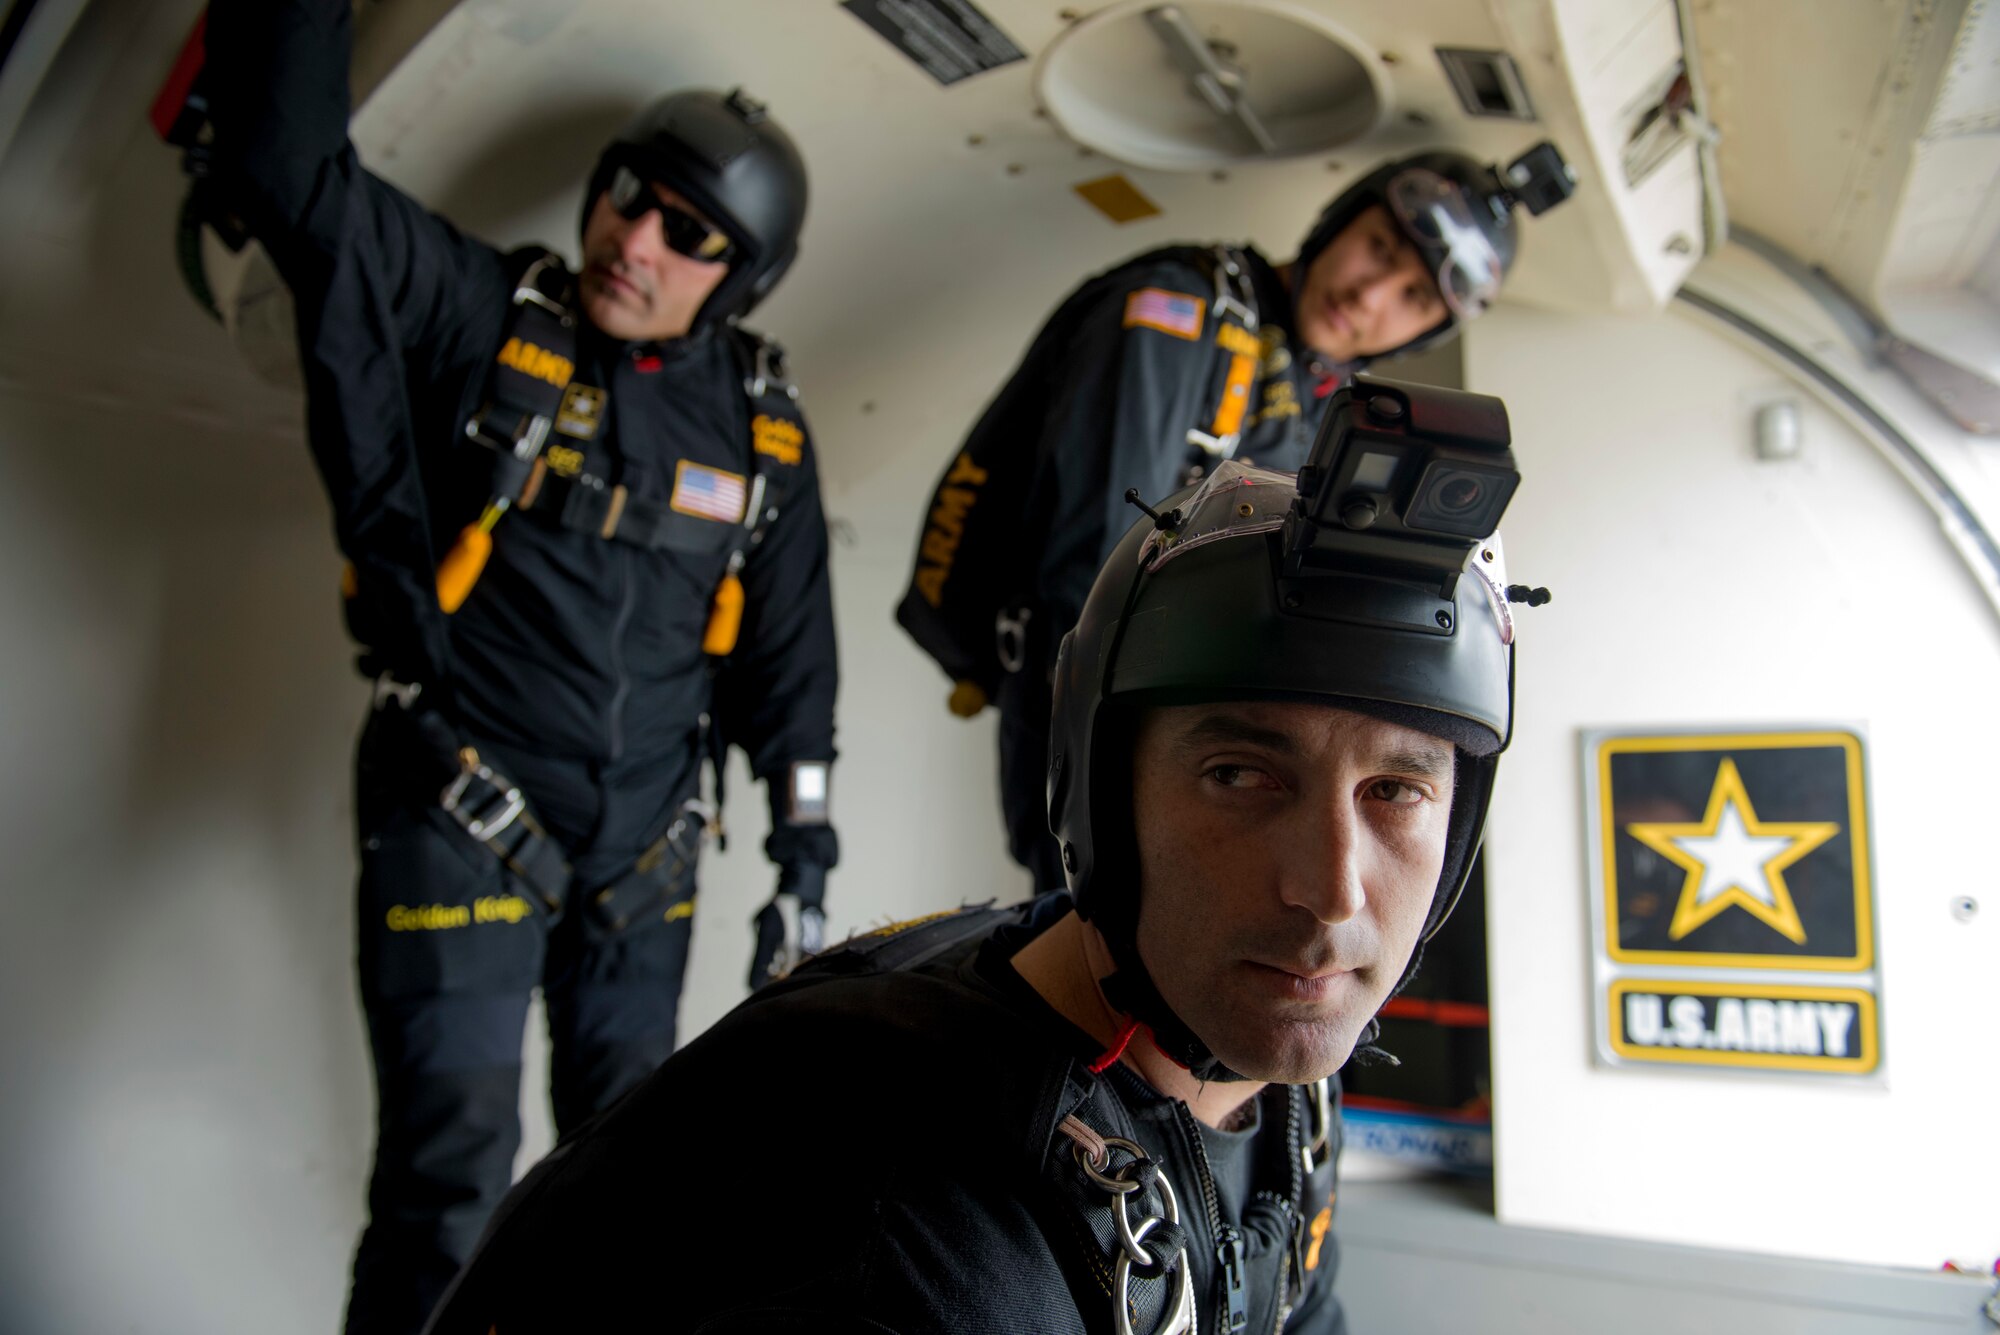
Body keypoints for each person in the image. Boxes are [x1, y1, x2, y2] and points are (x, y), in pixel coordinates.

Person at [422, 378, 1533, 1333]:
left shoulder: (1284, 1094)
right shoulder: (912, 1254)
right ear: (1098, 797)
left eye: (1396, 791)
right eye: (1240, 776)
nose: (1329, 890)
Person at [196, 3, 839, 1330]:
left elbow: (792, 659)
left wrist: (806, 861)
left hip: (645, 861)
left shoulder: (764, 427)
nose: (633, 239)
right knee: (447, 1191)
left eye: (686, 232)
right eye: (625, 196)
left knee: (628, 1195)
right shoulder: (485, 316)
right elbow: (286, 171)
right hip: (465, 815)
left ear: (746, 275)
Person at [896, 145, 1568, 889]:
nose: (1373, 293)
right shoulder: (1177, 311)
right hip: (1097, 704)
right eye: (1378, 247)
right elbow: (1089, 571)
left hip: (1202, 720)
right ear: (1341, 219)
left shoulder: (1321, 394)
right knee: (1089, 927)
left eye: (1412, 297)